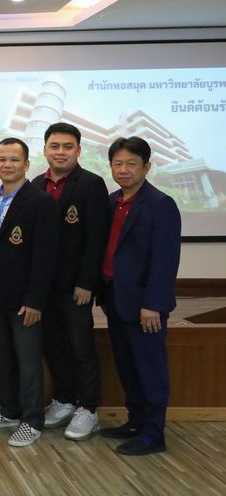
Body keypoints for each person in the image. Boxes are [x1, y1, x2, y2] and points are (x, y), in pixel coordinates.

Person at [99, 137, 181, 456]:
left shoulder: (160, 204)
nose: (124, 169)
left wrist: (153, 304)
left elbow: (165, 260)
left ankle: (153, 434)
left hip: (145, 305)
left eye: (131, 164)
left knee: (149, 369)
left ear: (146, 167)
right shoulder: (111, 201)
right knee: (128, 366)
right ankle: (135, 422)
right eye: (117, 163)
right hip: (115, 298)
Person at [0, 138, 57, 447]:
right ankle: (9, 411)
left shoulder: (41, 202)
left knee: (28, 361)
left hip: (25, 302)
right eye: (2, 159)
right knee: (4, 358)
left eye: (14, 159)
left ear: (27, 164)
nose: (7, 165)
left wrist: (35, 300)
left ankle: (32, 420)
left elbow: (46, 257)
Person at [32, 123, 109, 440]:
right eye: (54, 146)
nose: (60, 152)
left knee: (81, 346)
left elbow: (96, 238)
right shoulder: (36, 184)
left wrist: (86, 282)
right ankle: (65, 399)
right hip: (44, 286)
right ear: (44, 150)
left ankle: (88, 408)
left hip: (76, 286)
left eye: (67, 146)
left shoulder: (91, 184)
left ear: (78, 150)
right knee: (52, 344)